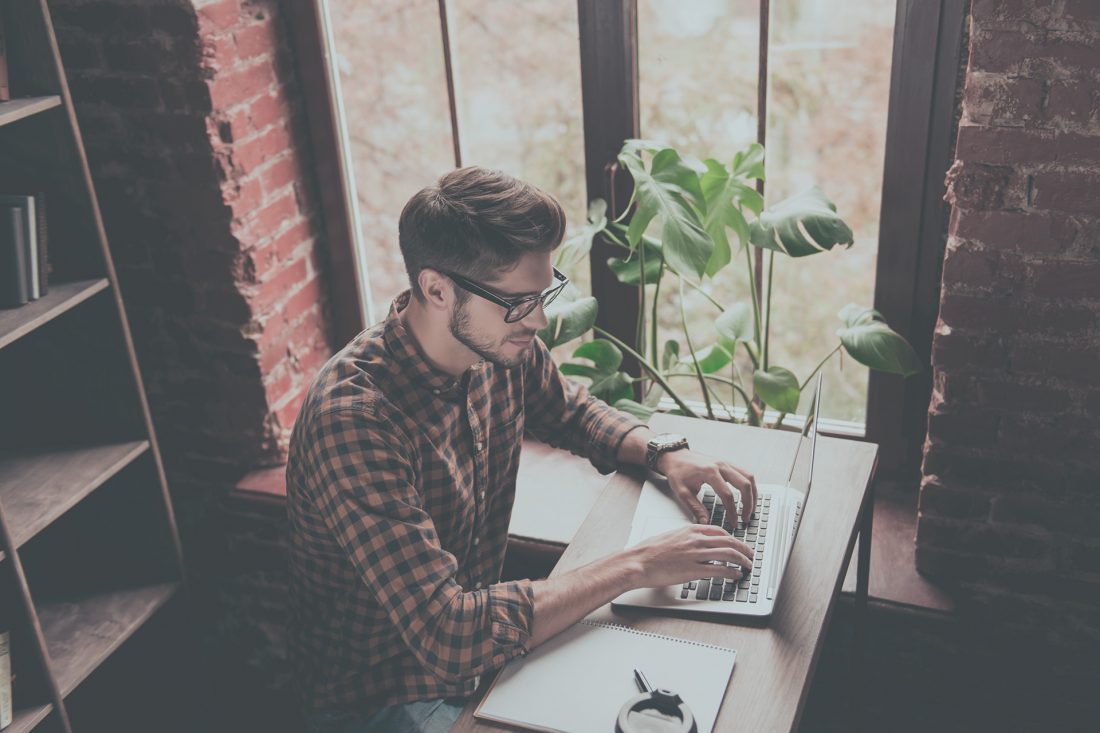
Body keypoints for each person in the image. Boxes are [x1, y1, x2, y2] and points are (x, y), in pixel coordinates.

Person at [287, 167, 758, 733]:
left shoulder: (495, 343)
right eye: (518, 302)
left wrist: (663, 452)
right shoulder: (355, 421)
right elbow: (450, 635)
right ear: (438, 289)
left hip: (483, 657)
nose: (538, 320)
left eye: (543, 294)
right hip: (386, 698)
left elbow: (570, 412)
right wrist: (639, 564)